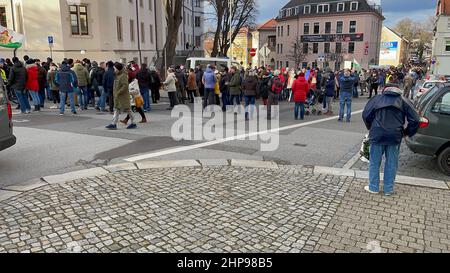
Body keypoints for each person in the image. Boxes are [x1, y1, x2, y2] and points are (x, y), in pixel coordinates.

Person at [362, 85, 420, 196]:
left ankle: (373, 187)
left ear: (385, 89)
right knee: (392, 163)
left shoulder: (377, 99)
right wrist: (407, 132)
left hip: (377, 134)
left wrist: (371, 127)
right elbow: (415, 119)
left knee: (375, 162)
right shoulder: (403, 101)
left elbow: (366, 115)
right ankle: (388, 189)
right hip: (395, 135)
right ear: (398, 90)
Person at [106, 62, 137, 130]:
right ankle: (113, 124)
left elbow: (125, 86)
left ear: (118, 69)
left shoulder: (123, 75)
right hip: (118, 96)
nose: (114, 70)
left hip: (123, 97)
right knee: (117, 109)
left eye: (115, 69)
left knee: (128, 109)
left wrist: (118, 92)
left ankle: (133, 123)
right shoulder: (118, 75)